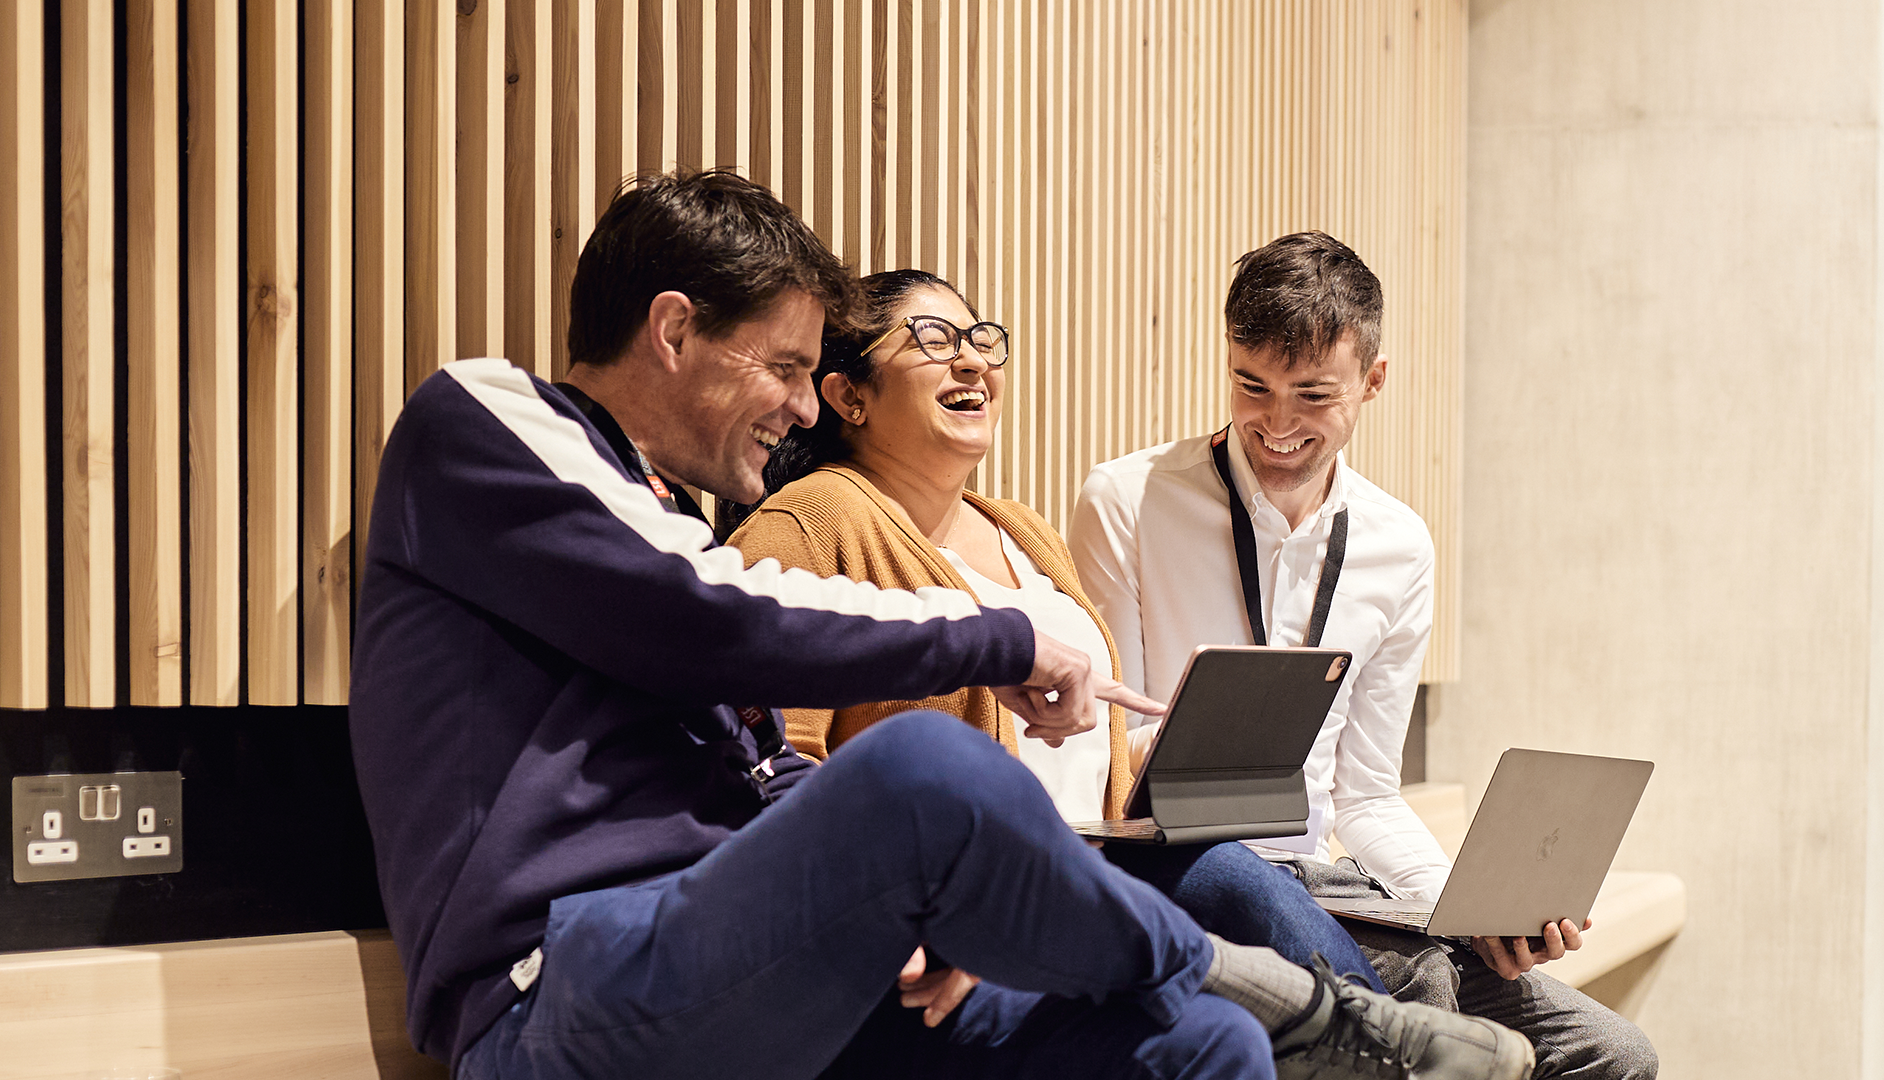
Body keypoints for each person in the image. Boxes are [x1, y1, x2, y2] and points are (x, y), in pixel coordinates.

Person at [347, 172, 1534, 1080]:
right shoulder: (487, 422)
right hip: (557, 989)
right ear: (672, 331)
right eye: (792, 370)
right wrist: (1003, 640)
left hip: (757, 961)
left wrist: (923, 899)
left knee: (1196, 1050)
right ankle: (1309, 1004)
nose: (806, 408)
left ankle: (1259, 1004)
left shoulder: (678, 521)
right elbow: (716, 618)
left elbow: (766, 775)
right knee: (928, 765)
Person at [1068, 230, 1659, 1079]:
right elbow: (1101, 760)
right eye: (1250, 385)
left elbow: (1367, 795)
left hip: (1332, 887)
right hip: (1186, 873)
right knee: (1422, 989)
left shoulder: (1398, 543)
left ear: (1373, 380)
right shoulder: (1128, 501)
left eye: (1312, 395)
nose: (1276, 424)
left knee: (1614, 1053)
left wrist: (1472, 906)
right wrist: (1178, 749)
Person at [724, 266, 1393, 996]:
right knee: (1246, 906)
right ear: (850, 395)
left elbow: (1080, 762)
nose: (974, 359)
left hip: (1093, 870)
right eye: (934, 339)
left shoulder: (1022, 528)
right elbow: (774, 768)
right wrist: (915, 915)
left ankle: (1387, 1033)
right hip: (973, 903)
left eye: (981, 338)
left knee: (1236, 877)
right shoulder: (808, 527)